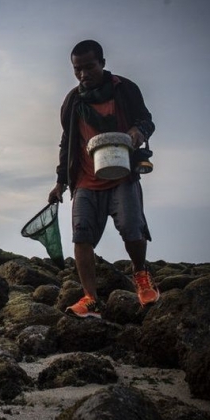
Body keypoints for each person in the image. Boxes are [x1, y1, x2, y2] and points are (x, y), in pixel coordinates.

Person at [47, 40, 159, 318]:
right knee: (81, 236)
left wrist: (137, 132)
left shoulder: (125, 89)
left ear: (103, 63)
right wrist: (60, 181)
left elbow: (147, 120)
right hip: (85, 179)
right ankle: (90, 299)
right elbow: (67, 142)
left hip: (122, 175)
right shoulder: (73, 101)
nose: (83, 74)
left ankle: (141, 275)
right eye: (77, 69)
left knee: (132, 227)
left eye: (89, 66)